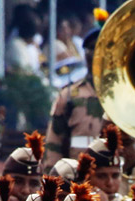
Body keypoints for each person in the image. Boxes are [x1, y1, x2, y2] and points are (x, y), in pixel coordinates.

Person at [45, 15, 106, 163]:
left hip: (115, 177)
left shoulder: (126, 95)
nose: (95, 53)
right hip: (78, 176)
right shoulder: (68, 96)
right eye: (90, 48)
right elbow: (54, 144)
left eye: (101, 47)